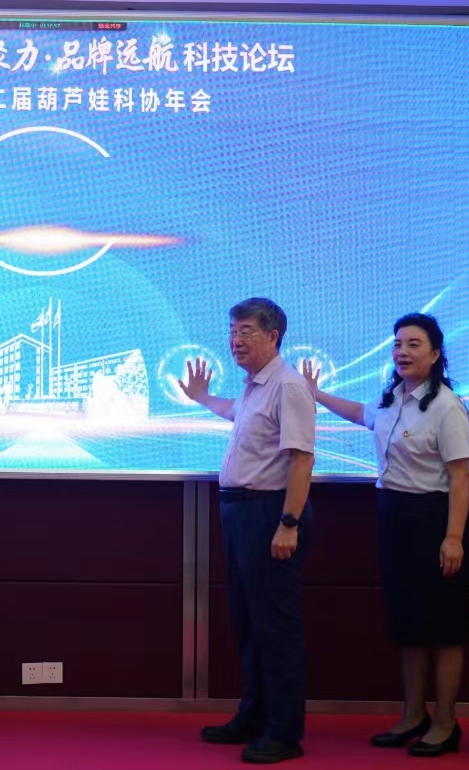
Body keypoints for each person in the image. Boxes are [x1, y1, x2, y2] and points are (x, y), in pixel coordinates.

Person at [304, 313, 469, 757]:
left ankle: (446, 722)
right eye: (398, 343)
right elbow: (361, 415)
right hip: (394, 517)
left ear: (435, 355)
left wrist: (454, 537)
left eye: (414, 344)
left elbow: (459, 477)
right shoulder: (392, 397)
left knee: (444, 626)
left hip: (433, 519)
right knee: (408, 622)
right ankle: (413, 715)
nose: (402, 351)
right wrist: (316, 394)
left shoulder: (447, 406)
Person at [184, 298, 315, 765]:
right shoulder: (255, 385)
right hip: (241, 513)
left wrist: (288, 523)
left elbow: (302, 460)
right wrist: (201, 398)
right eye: (232, 331)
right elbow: (233, 413)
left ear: (273, 336)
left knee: (276, 626)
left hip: (270, 514)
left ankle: (284, 732)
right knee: (249, 621)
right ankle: (254, 715)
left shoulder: (288, 386)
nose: (234, 341)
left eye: (245, 332)